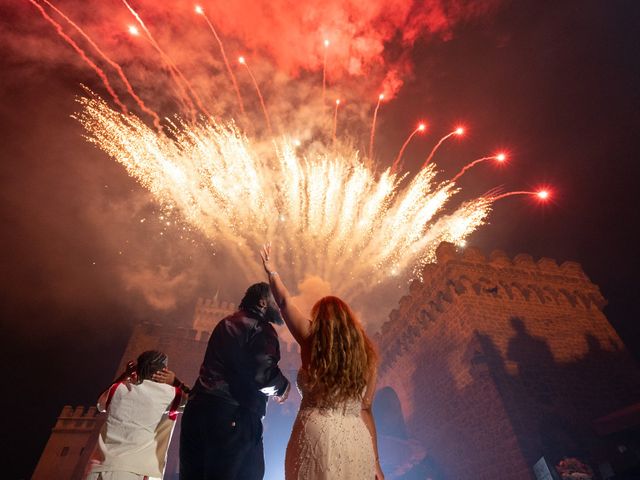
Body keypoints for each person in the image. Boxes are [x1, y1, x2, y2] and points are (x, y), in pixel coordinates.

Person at [260, 244, 385, 480]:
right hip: (356, 439)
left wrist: (272, 272)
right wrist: (376, 462)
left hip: (315, 432)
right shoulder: (367, 355)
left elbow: (285, 302)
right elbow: (366, 408)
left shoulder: (312, 339)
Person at [180, 282, 291, 480]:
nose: (281, 306)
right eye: (277, 301)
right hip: (233, 416)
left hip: (196, 412)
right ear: (263, 302)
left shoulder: (225, 322)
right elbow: (262, 375)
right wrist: (282, 387)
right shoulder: (260, 328)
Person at [86, 350, 189, 480]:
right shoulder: (171, 394)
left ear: (137, 369)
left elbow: (100, 404)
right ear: (165, 370)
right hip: (136, 471)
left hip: (97, 469)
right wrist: (176, 382)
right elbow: (199, 402)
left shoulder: (118, 388)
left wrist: (125, 375)